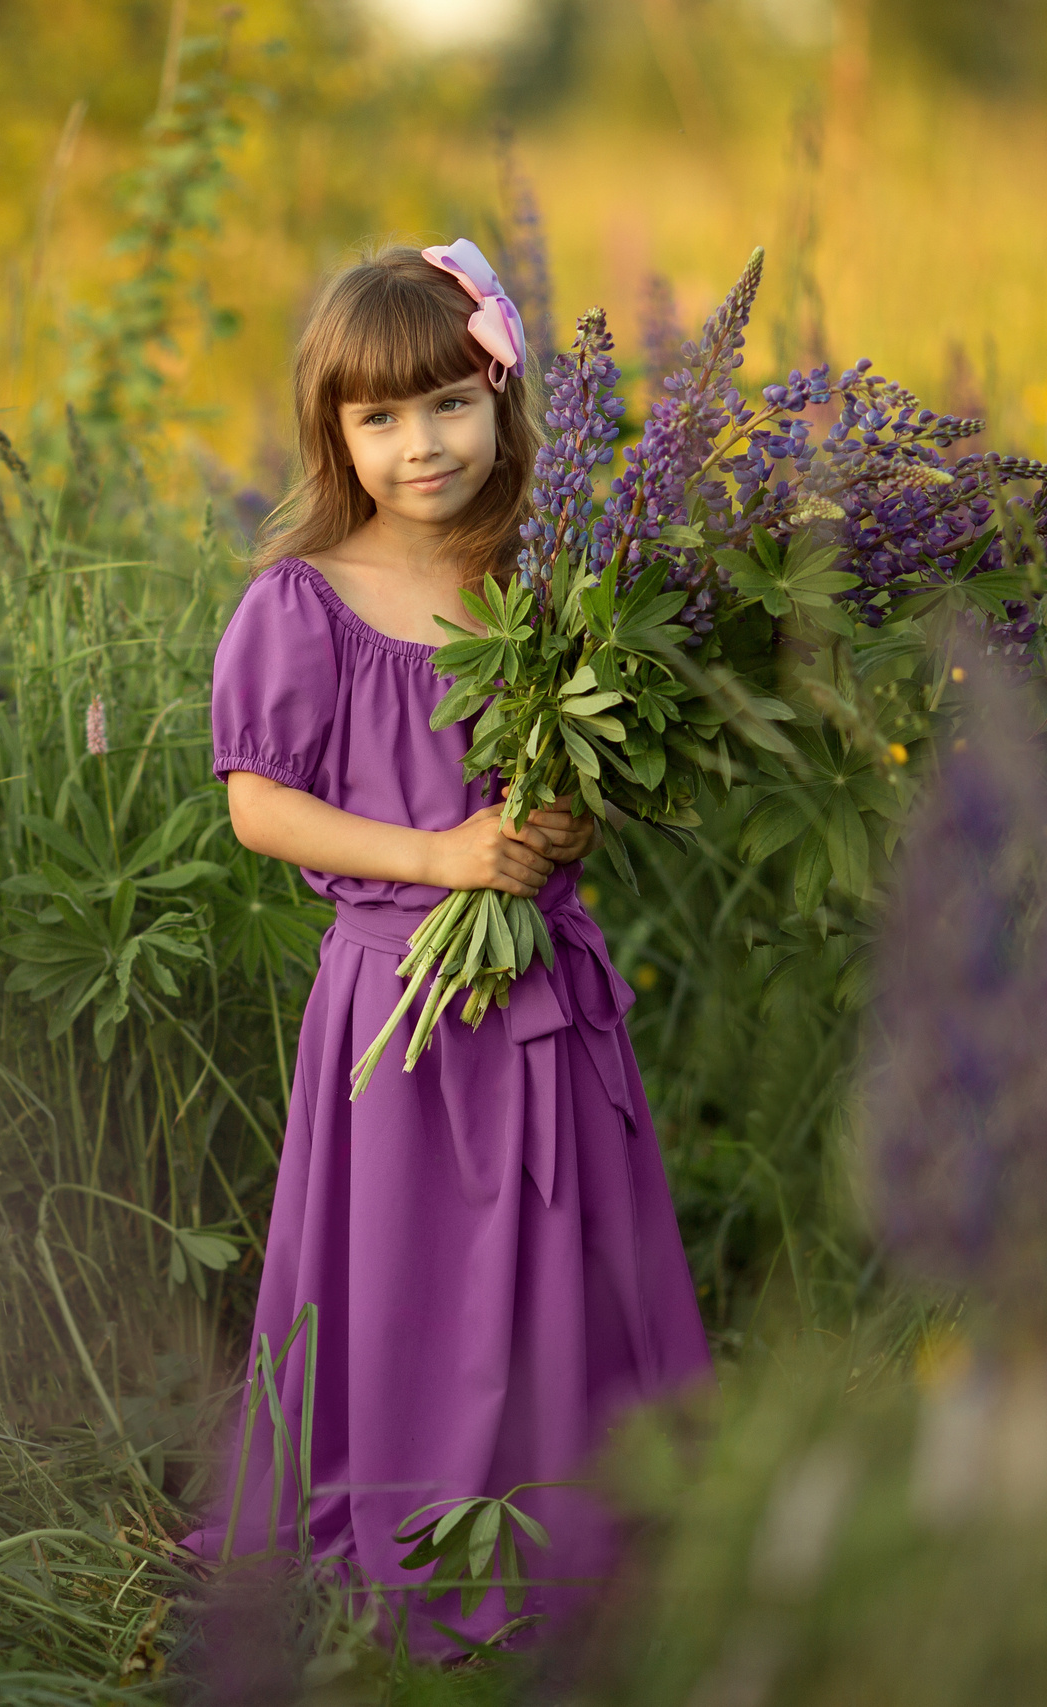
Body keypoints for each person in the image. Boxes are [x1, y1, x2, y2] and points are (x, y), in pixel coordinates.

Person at [189, 240, 712, 1657]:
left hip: (540, 987)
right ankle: (419, 1517)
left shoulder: (553, 581)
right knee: (410, 1273)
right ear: (335, 433)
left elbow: (581, 788)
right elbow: (257, 807)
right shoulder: (303, 600)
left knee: (557, 1258)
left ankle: (566, 1508)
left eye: (448, 405)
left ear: (502, 397)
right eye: (379, 418)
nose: (420, 444)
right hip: (395, 1006)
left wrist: (553, 834)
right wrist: (440, 859)